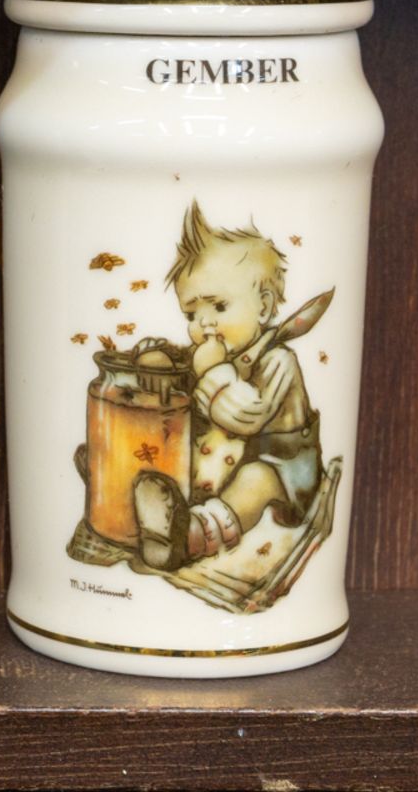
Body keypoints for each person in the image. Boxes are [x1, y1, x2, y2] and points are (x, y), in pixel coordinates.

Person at [133, 202, 323, 570]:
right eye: (191, 313)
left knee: (253, 481)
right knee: (177, 451)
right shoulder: (213, 353)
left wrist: (215, 370)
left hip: (281, 466)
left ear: (264, 308)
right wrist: (155, 359)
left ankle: (191, 536)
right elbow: (181, 364)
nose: (203, 324)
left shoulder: (278, 361)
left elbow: (247, 417)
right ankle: (132, 500)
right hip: (222, 458)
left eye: (218, 307)